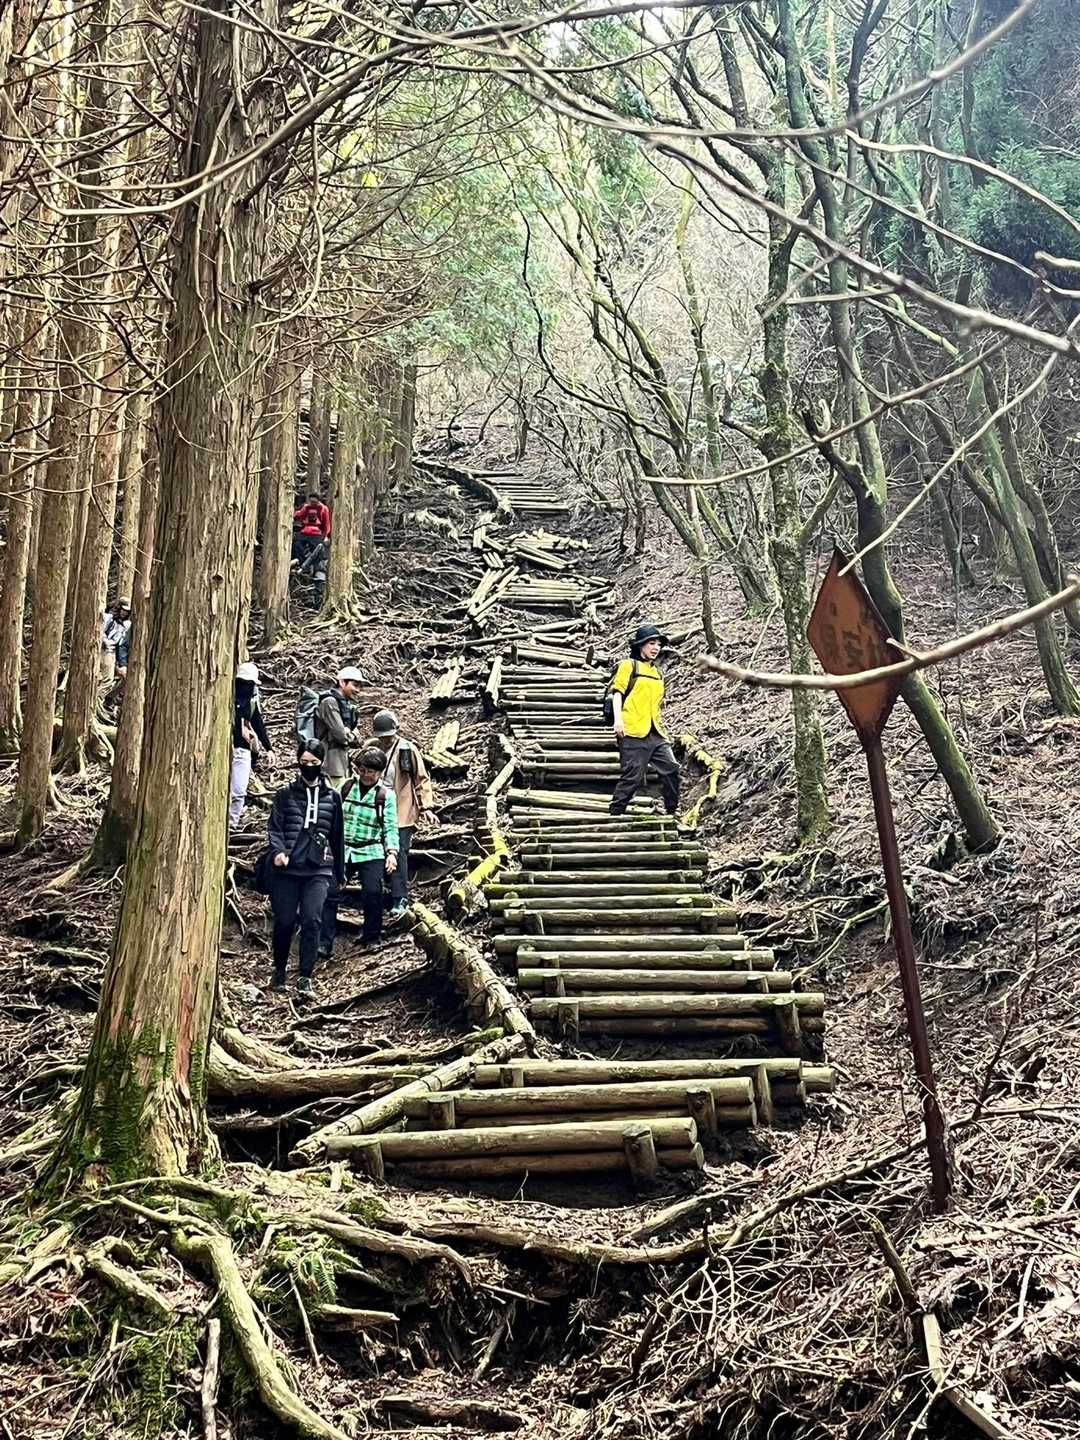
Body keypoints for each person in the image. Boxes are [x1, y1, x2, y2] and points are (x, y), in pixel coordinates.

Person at [266, 739, 345, 995]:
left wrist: (340, 872)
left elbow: (337, 836)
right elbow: (275, 827)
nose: (309, 767)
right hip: (288, 869)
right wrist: (278, 852)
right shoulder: (285, 794)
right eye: (304, 762)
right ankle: (279, 970)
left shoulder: (332, 797)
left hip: (318, 868)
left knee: (312, 919)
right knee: (285, 921)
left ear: (322, 763)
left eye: (314, 762)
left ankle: (305, 976)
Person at [322, 745, 399, 954]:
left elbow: (390, 827)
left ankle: (372, 937)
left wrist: (392, 853)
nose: (365, 775)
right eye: (362, 770)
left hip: (371, 850)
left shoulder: (385, 796)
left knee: (373, 892)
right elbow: (331, 814)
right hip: (342, 849)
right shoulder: (346, 787)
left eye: (371, 771)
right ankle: (324, 941)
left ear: (380, 772)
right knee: (329, 892)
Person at [609, 622, 680, 817]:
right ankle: (615, 814)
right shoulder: (628, 665)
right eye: (651, 643)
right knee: (633, 776)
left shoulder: (657, 673)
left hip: (655, 732)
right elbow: (617, 693)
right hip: (631, 730)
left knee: (671, 768)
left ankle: (672, 813)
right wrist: (618, 720)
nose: (656, 648)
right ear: (640, 645)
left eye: (658, 644)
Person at [371, 709, 435, 919]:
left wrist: (426, 806)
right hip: (376, 807)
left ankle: (400, 897)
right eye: (382, 737)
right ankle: (380, 893)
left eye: (389, 736)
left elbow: (421, 779)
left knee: (398, 851)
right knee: (377, 850)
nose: (386, 740)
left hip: (401, 808)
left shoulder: (407, 749)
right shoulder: (372, 748)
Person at [230, 661, 275, 831]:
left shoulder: (252, 701)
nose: (247, 687)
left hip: (242, 749)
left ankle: (232, 824)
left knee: (239, 790)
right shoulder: (228, 697)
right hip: (226, 747)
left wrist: (268, 748)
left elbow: (258, 722)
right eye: (243, 683)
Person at [314, 664, 366, 788]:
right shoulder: (329, 702)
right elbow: (341, 736)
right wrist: (350, 734)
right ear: (342, 683)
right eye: (355, 685)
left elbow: (356, 740)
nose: (358, 690)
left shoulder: (346, 706)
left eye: (359, 686)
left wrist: (350, 733)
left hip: (342, 764)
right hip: (331, 766)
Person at [293, 491, 331, 567]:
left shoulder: (323, 508)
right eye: (311, 501)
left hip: (316, 532)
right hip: (305, 531)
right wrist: (294, 514)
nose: (312, 503)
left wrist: (325, 535)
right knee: (297, 544)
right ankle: (302, 562)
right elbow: (300, 514)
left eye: (314, 502)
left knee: (318, 549)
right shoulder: (306, 507)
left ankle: (317, 567)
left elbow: (326, 523)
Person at [101, 597, 131, 685]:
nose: (124, 613)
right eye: (123, 610)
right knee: (106, 680)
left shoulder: (125, 625)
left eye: (127, 611)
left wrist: (122, 664)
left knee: (112, 680)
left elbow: (122, 645)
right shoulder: (108, 618)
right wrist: (106, 642)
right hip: (103, 649)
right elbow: (100, 631)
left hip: (112, 653)